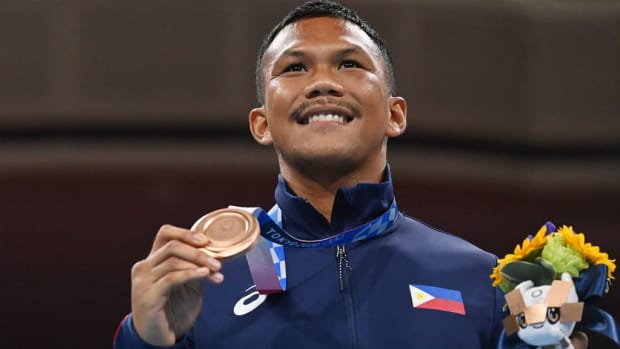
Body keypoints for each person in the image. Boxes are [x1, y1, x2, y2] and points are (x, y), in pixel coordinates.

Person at [113, 1, 506, 348]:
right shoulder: (202, 281)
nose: (322, 83)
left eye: (349, 64)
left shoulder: (481, 280)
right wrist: (147, 341)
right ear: (261, 124)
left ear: (395, 115)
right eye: (295, 67)